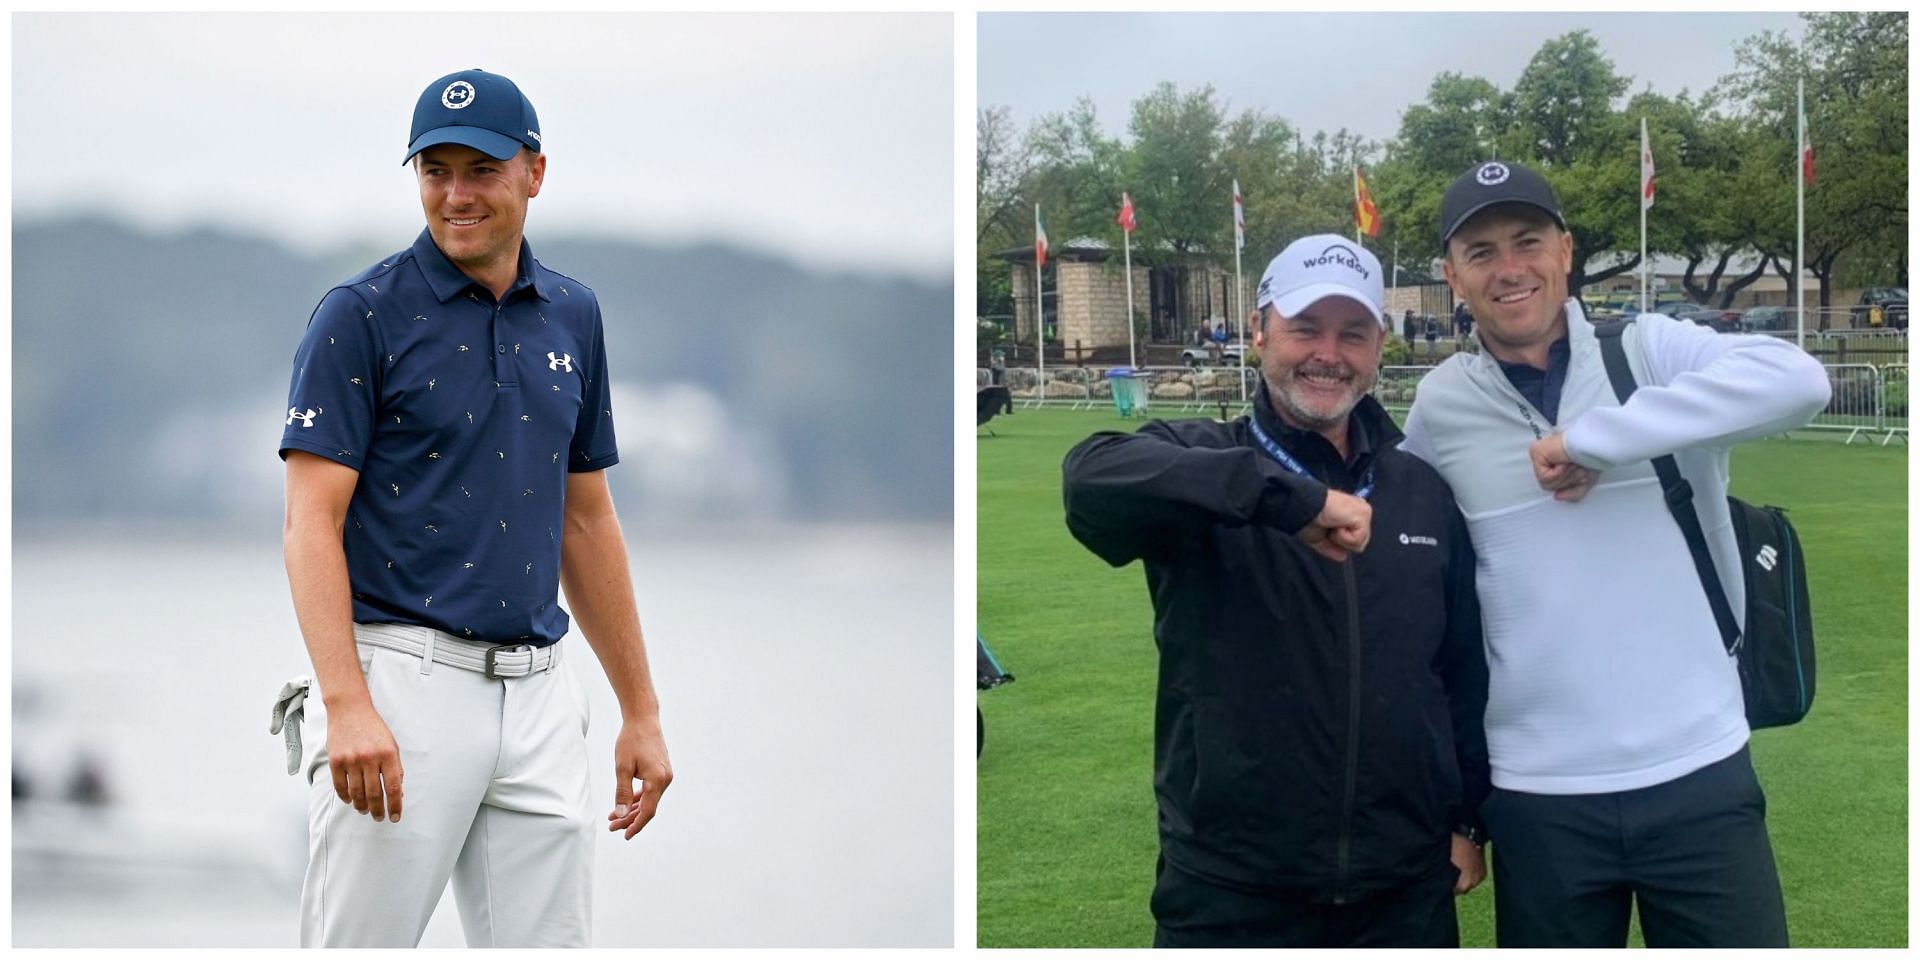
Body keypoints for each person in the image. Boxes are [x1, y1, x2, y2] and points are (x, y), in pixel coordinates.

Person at [277, 69, 672, 948]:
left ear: (534, 172)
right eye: (435, 171)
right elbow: (311, 525)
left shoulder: (573, 314)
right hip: (398, 688)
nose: (455, 195)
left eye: (481, 170)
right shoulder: (359, 315)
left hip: (540, 697)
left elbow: (587, 521)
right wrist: (345, 704)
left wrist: (639, 710)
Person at [1400, 160, 1830, 949]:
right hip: (1536, 797)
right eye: (1482, 252)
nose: (1510, 269)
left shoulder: (1644, 350)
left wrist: (1599, 439)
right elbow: (1416, 581)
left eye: (1528, 241)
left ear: (1565, 250)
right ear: (1452, 277)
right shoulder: (1439, 405)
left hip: (1700, 770)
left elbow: (1799, 381)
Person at [1062, 234, 1490, 948]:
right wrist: (1287, 500)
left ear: (1379, 343)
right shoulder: (1202, 463)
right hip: (1232, 889)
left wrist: (1468, 817)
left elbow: (1459, 669)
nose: (1329, 352)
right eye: (1304, 329)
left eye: (1352, 332)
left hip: (1403, 890)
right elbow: (1090, 477)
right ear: (1258, 330)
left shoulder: (1421, 489)